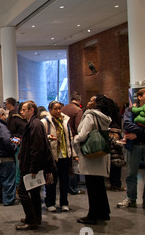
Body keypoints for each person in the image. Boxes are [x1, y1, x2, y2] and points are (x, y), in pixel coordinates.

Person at [117, 88, 145, 212]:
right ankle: (130, 199)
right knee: (131, 174)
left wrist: (137, 134)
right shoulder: (130, 110)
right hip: (134, 146)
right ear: (140, 97)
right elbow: (127, 125)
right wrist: (144, 131)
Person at [16, 101, 56, 230]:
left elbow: (37, 148)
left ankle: (32, 219)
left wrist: (33, 168)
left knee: (22, 191)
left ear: (31, 110)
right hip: (30, 164)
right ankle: (35, 217)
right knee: (33, 192)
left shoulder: (35, 125)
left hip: (30, 166)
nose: (21, 112)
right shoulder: (34, 124)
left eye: (23, 109)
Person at [73, 95, 112, 225]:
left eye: (91, 100)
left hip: (90, 154)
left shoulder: (90, 115)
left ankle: (92, 215)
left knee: (92, 187)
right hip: (101, 154)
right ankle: (104, 212)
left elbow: (83, 134)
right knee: (100, 186)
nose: (88, 102)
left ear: (97, 104)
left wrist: (75, 139)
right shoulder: (105, 117)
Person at [41, 100, 75, 212]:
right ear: (50, 110)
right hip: (52, 157)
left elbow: (69, 139)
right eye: (55, 109)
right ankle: (50, 203)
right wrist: (48, 137)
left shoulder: (65, 121)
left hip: (64, 156)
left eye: (59, 108)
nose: (58, 111)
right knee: (51, 181)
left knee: (64, 181)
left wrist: (73, 154)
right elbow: (41, 137)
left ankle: (64, 203)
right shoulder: (45, 122)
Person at [0, 108, 18, 206]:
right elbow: (6, 141)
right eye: (5, 115)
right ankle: (8, 201)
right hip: (5, 159)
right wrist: (14, 145)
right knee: (8, 182)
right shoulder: (2, 127)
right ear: (1, 115)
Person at [62, 92, 84, 195]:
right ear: (79, 101)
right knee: (74, 165)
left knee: (67, 165)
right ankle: (73, 187)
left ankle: (66, 186)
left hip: (63, 139)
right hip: (73, 139)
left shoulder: (63, 108)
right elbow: (78, 127)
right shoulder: (78, 110)